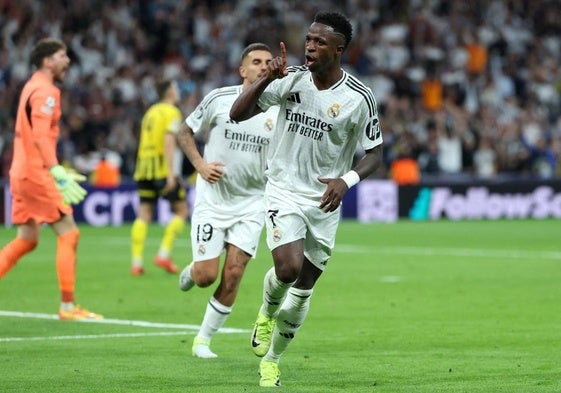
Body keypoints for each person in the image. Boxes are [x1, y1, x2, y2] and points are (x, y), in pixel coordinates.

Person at [229, 11, 384, 387]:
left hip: (324, 203)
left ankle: (272, 360)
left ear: (339, 49)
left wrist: (346, 181)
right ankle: (266, 312)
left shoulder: (358, 98)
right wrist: (266, 78)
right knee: (287, 268)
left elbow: (375, 153)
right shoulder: (291, 79)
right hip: (283, 189)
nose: (309, 46)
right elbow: (237, 114)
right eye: (309, 39)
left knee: (303, 290)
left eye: (319, 42)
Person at [177, 43, 278, 358]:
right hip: (213, 200)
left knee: (234, 271)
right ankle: (194, 270)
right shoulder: (220, 99)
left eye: (267, 62)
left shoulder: (278, 109)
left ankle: (203, 341)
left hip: (251, 203)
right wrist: (201, 166)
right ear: (242, 70)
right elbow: (184, 133)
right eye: (255, 62)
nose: (262, 66)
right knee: (207, 277)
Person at [0, 37, 102, 320]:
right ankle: (68, 307)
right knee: (69, 232)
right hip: (35, 173)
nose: (67, 61)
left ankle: (68, 306)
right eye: (62, 55)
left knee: (27, 239)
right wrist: (54, 169)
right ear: (47, 61)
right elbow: (40, 135)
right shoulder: (46, 91)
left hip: (20, 172)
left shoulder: (30, 86)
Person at [130, 79, 190, 275]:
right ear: (169, 92)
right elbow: (168, 141)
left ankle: (137, 263)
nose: (178, 91)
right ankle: (163, 255)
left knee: (144, 212)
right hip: (161, 169)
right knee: (181, 211)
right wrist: (171, 174)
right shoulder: (172, 112)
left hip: (143, 167)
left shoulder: (150, 112)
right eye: (175, 88)